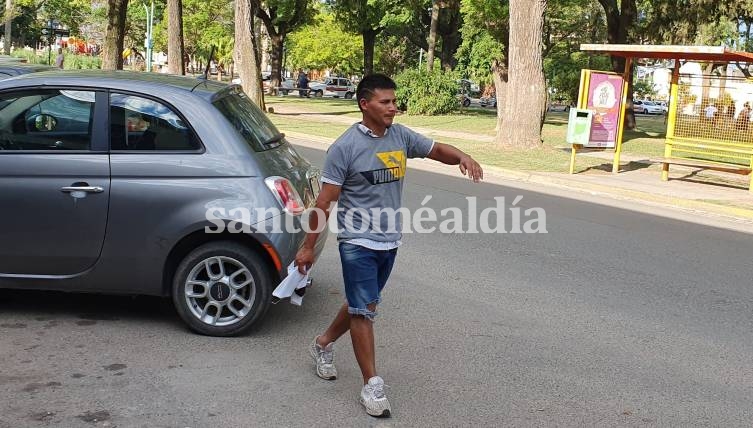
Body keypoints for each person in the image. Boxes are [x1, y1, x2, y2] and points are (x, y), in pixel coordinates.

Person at [295, 73, 483, 418]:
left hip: (389, 240)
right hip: (356, 241)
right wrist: (308, 248)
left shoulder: (399, 136)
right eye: (386, 102)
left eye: (395, 101)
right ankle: (372, 385)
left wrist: (463, 157)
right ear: (365, 104)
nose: (394, 108)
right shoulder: (344, 147)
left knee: (360, 303)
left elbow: (435, 149)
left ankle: (322, 344)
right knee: (365, 311)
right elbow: (323, 203)